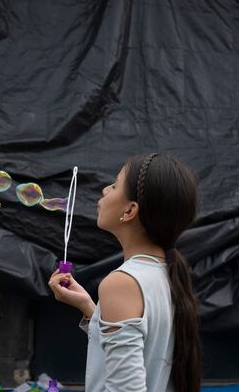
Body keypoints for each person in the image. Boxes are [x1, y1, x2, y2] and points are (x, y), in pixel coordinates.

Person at [49, 153, 201, 392]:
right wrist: (90, 308)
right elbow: (146, 348)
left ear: (130, 210)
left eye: (114, 185)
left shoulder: (122, 283)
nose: (104, 191)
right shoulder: (166, 273)